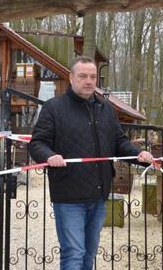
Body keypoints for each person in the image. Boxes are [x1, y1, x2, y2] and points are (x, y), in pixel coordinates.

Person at [28, 56, 153, 270]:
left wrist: (139, 155)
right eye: (83, 76)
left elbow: (119, 143)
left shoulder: (105, 109)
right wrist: (49, 156)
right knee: (74, 254)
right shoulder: (54, 108)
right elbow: (37, 143)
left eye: (93, 76)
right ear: (71, 78)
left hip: (98, 196)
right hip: (69, 196)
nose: (88, 81)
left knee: (88, 255)